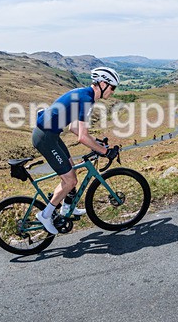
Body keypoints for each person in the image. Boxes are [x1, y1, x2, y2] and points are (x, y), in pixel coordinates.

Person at [32, 67, 120, 234]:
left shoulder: (84, 95)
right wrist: (105, 152)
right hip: (45, 138)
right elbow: (82, 137)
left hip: (51, 135)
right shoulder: (86, 99)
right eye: (112, 87)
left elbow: (74, 128)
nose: (113, 91)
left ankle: (66, 208)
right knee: (70, 181)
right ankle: (45, 215)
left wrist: (97, 142)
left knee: (71, 171)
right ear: (102, 84)